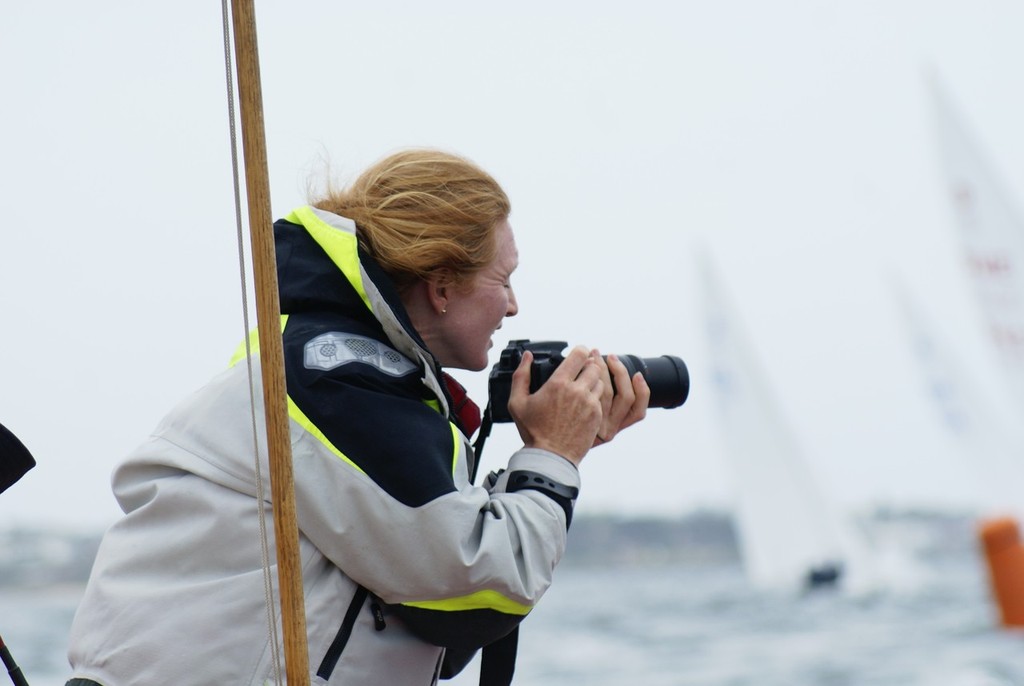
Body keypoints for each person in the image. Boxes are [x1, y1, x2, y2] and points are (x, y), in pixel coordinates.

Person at [66, 149, 650, 686]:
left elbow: (435, 629)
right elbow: (472, 592)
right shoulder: (336, 379)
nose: (514, 305)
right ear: (443, 286)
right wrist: (553, 455)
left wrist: (530, 471)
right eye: (504, 279)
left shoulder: (337, 370)